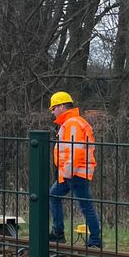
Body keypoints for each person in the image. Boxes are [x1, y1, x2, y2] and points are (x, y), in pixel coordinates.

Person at [48, 91, 101, 248]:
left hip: (75, 172)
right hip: (72, 172)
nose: (52, 111)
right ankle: (58, 233)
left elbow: (75, 150)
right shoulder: (73, 122)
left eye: (54, 108)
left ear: (62, 106)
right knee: (54, 195)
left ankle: (95, 241)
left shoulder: (72, 123)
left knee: (86, 206)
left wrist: (68, 173)